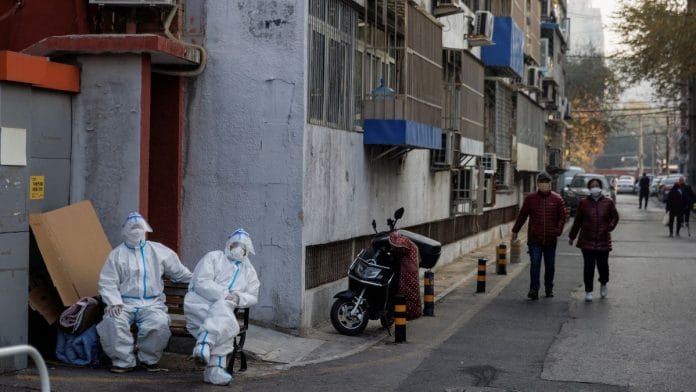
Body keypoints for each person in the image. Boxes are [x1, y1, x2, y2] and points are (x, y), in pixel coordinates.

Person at [97, 212, 192, 373]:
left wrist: (201, 280)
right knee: (112, 321)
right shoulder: (116, 255)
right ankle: (123, 361)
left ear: (145, 230)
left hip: (152, 304)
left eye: (139, 227)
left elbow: (180, 273)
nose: (136, 230)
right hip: (124, 303)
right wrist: (113, 301)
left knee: (159, 323)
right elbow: (107, 281)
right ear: (125, 231)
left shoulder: (158, 251)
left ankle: (148, 360)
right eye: (132, 227)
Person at [184, 229, 260, 386]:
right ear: (228, 244)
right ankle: (215, 370)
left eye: (242, 246)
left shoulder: (249, 270)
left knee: (225, 320)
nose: (238, 248)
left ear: (247, 250)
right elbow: (201, 282)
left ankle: (204, 345)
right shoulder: (213, 257)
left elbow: (253, 295)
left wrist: (239, 297)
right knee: (226, 321)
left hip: (224, 311)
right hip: (200, 305)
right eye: (235, 244)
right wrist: (224, 294)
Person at [511, 171, 567, 300]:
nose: (544, 184)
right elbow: (522, 216)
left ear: (550, 183)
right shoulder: (531, 199)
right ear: (537, 184)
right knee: (535, 264)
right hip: (535, 238)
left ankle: (549, 288)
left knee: (550, 265)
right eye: (541, 182)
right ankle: (534, 289)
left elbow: (562, 218)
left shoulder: (557, 199)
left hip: (551, 239)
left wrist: (557, 231)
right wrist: (515, 230)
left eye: (546, 182)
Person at [568, 178, 620, 302]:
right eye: (592, 186)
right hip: (587, 240)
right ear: (589, 188)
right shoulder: (583, 203)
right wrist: (572, 236)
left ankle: (603, 284)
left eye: (597, 185)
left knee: (603, 267)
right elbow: (578, 221)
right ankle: (589, 291)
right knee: (588, 267)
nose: (594, 188)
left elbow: (615, 217)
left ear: (600, 187)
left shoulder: (608, 202)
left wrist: (610, 227)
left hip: (603, 240)